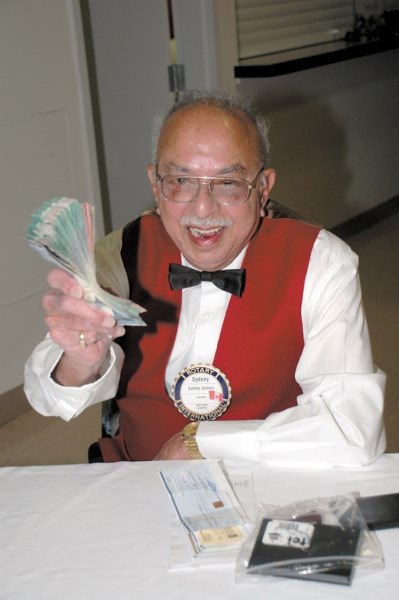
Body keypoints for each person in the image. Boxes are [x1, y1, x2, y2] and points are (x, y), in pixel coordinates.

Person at [24, 89, 386, 467]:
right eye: (180, 180)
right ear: (155, 186)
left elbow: (352, 430)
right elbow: (50, 399)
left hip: (269, 479)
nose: (202, 208)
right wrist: (79, 361)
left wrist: (204, 443)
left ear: (262, 189)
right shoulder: (120, 254)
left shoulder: (322, 262)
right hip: (138, 483)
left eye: (228, 183)